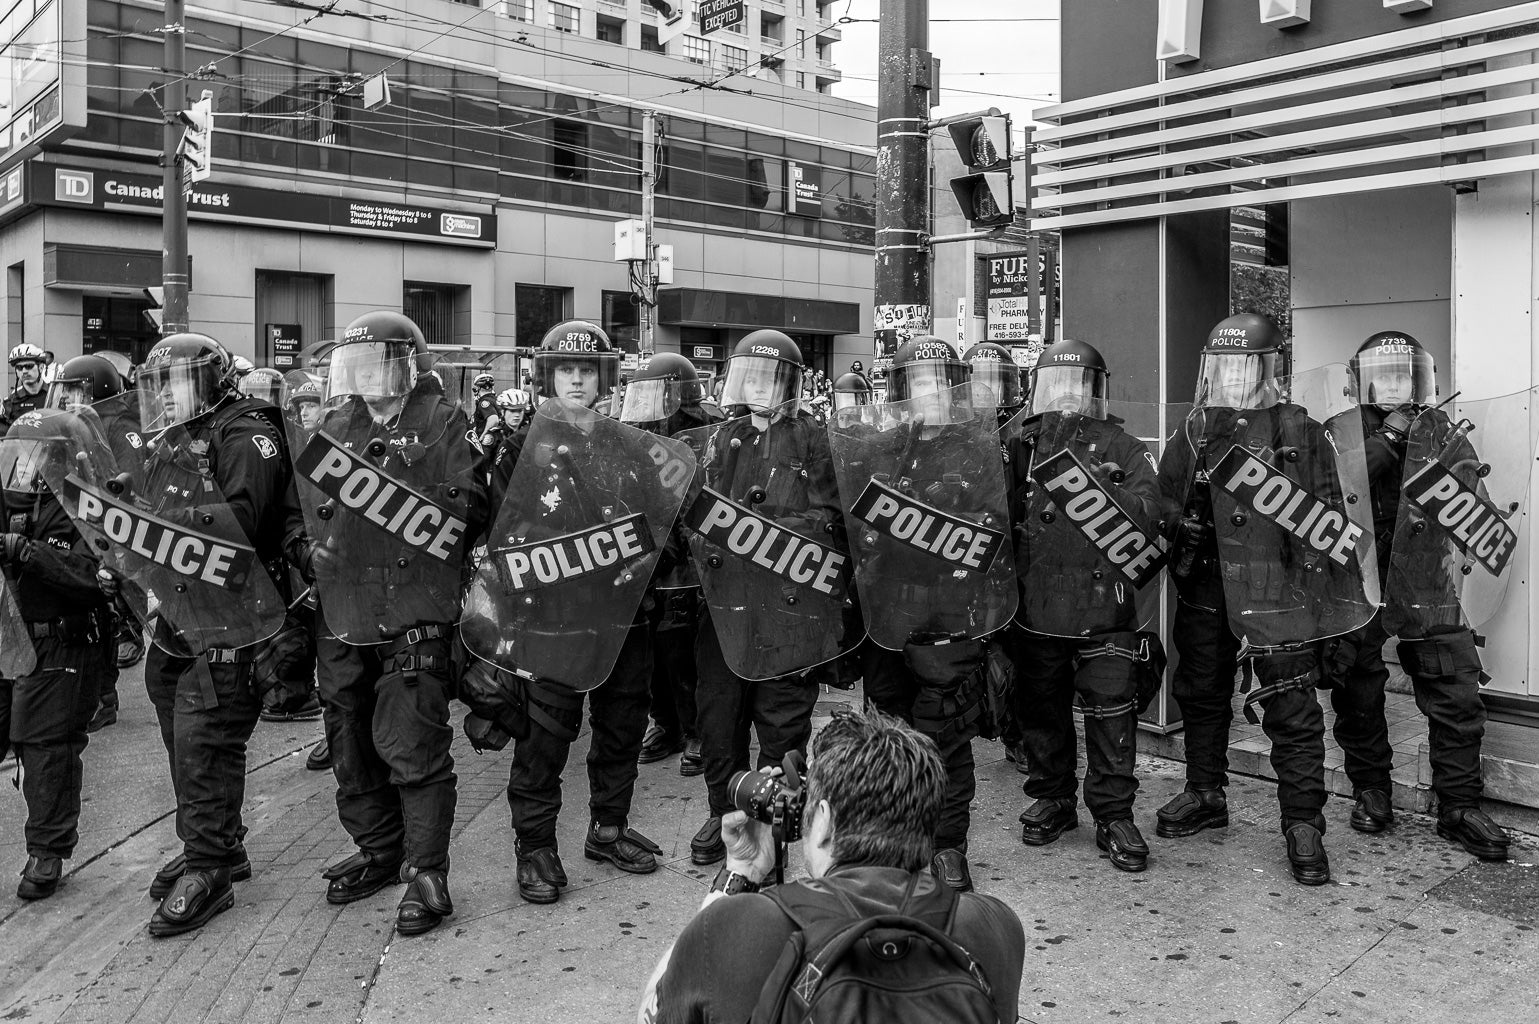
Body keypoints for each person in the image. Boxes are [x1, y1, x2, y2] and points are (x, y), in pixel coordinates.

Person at [1156, 313, 1372, 886]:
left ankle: (1303, 823)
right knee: (1200, 691)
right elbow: (1162, 503)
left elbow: (1335, 518)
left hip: (1279, 587)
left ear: (1268, 368)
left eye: (1242, 365)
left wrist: (1332, 604)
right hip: (1205, 584)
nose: (1230, 376)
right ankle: (1205, 791)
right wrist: (1182, 522)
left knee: (1290, 705)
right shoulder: (1194, 430)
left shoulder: (1300, 431)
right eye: (1221, 365)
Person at [638, 707, 1025, 1024]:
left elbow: (650, 1017)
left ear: (822, 819)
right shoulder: (993, 926)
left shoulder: (738, 926)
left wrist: (742, 873)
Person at [291, 311, 486, 936]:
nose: (366, 375)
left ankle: (428, 871)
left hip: (413, 614)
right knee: (349, 742)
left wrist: (402, 487)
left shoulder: (443, 423)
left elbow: (472, 507)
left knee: (413, 745)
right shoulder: (334, 427)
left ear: (405, 365)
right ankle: (379, 849)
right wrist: (306, 550)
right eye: (357, 364)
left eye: (378, 361)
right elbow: (295, 512)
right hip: (343, 612)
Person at [125, 333, 300, 935]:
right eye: (159, 387)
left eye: (174, 384)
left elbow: (239, 524)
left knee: (205, 737)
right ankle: (220, 841)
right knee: (179, 727)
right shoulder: (175, 437)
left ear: (207, 383)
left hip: (234, 613)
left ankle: (209, 869)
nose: (165, 397)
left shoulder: (247, 434)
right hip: (178, 613)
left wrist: (155, 521)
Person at [485, 320, 664, 904]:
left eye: (588, 370)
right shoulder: (519, 445)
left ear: (605, 377)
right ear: (548, 375)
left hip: (621, 614)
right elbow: (497, 532)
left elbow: (659, 523)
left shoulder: (628, 441)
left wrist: (645, 565)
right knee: (545, 736)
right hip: (552, 617)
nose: (578, 380)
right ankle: (534, 847)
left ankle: (608, 828)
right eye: (567, 369)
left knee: (621, 726)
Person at [838, 337, 1016, 893]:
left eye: (940, 380)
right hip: (888, 609)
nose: (930, 391)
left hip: (950, 614)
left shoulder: (979, 448)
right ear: (901, 391)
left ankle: (947, 848)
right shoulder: (881, 447)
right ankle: (893, 842)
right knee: (888, 733)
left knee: (946, 735)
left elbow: (998, 534)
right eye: (918, 381)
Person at [1323, 331, 1511, 859]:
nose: (1393, 386)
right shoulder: (1338, 433)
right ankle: (1372, 790)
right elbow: (1338, 487)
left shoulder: (1444, 432)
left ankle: (1458, 805)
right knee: (1358, 690)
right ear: (1360, 382)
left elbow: (1471, 490)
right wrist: (1386, 438)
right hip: (1359, 577)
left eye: (1403, 375)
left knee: (1454, 684)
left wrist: (1480, 514)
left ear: (1421, 381)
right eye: (1382, 375)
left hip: (1425, 576)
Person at [1006, 339, 1163, 872]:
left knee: (1111, 712)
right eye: (1059, 385)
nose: (1069, 397)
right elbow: (994, 515)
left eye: (1081, 386)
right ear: (1039, 388)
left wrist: (1106, 489)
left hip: (1105, 607)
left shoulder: (1123, 445)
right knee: (1041, 710)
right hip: (1037, 604)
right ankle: (1053, 798)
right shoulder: (1018, 445)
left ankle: (1114, 814)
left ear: (1098, 391)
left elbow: (1151, 512)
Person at [686, 331, 841, 870]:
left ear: (791, 387)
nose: (759, 388)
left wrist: (774, 528)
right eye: (750, 376)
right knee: (718, 716)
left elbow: (832, 519)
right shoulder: (715, 439)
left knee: (783, 719)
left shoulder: (815, 442)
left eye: (771, 379)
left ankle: (775, 813)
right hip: (725, 605)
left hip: (789, 606)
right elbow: (692, 510)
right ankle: (724, 810)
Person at [0, 410, 117, 899]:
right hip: (10, 633)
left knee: (45, 745)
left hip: (64, 638)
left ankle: (46, 851)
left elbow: (97, 577)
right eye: (15, 457)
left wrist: (26, 552)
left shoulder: (88, 502)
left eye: (34, 456)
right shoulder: (8, 496)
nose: (23, 466)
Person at [620, 352, 720, 774]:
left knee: (684, 653)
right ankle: (666, 724)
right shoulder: (635, 431)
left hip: (688, 564)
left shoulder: (703, 433)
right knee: (655, 653)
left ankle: (696, 729)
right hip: (648, 556)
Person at [44, 354, 141, 725]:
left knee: (105, 612)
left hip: (107, 531)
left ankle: (104, 697)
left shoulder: (120, 427)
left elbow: (125, 485)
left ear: (94, 390)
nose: (66, 401)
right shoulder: (75, 425)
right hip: (78, 522)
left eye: (72, 392)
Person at [3, 343, 51, 426]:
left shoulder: (55, 395)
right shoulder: (10, 403)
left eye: (29, 366)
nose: (24, 371)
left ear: (41, 367)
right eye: (19, 368)